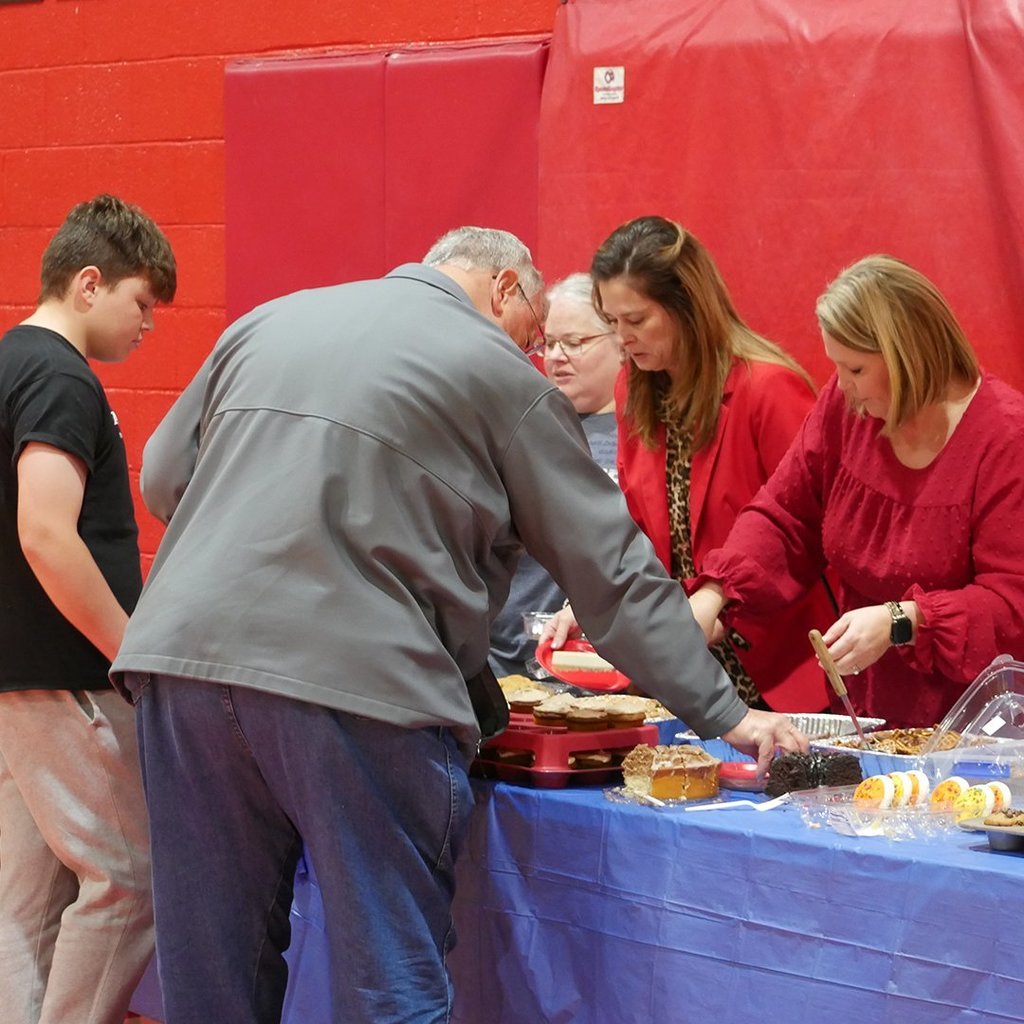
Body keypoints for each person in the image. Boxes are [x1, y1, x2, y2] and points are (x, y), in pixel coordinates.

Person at [109, 226, 806, 1024]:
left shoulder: (268, 319)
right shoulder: (498, 375)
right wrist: (727, 714)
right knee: (388, 984)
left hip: (178, 666)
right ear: (505, 290)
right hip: (360, 690)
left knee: (212, 988)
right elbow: (612, 576)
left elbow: (164, 477)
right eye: (536, 331)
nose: (539, 354)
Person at [688, 254, 1024, 727]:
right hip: (866, 718)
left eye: (857, 370)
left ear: (911, 355)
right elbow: (785, 516)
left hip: (975, 733)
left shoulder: (1006, 437)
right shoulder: (846, 411)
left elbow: (1012, 602)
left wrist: (902, 619)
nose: (842, 386)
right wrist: (716, 593)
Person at [0, 194, 176, 1024]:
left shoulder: (11, 361)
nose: (148, 325)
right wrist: (129, 647)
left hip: (22, 678)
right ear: (90, 283)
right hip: (63, 671)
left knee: (27, 894)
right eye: (142, 303)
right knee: (130, 875)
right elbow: (45, 531)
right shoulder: (59, 373)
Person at [548, 216, 833, 713]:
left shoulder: (768, 390)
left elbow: (812, 536)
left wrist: (722, 607)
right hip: (685, 672)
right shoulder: (633, 392)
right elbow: (637, 532)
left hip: (780, 672)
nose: (622, 338)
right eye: (613, 322)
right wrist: (589, 603)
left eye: (635, 321)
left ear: (687, 307)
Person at [488, 272, 622, 678]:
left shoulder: (646, 440)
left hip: (602, 665)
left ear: (622, 342)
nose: (557, 356)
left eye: (575, 343)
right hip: (502, 663)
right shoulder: (518, 429)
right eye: (549, 344)